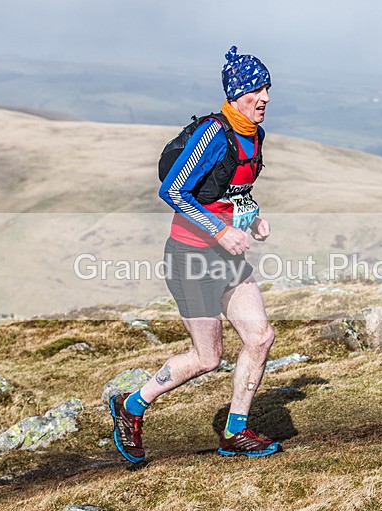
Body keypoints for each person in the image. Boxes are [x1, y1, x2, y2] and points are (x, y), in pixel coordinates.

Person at [110, 46, 280, 462]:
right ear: (237, 93)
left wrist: (253, 216)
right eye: (258, 89)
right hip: (190, 258)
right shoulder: (211, 134)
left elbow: (233, 190)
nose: (266, 98)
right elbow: (172, 191)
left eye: (268, 89)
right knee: (207, 357)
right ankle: (131, 406)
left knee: (260, 337)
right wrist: (221, 231)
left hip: (227, 258)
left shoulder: (253, 135)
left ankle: (235, 432)